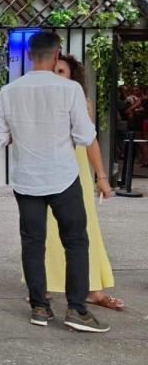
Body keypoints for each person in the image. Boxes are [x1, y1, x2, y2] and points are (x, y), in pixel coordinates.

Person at [0, 30, 108, 333]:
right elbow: (85, 136)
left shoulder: (8, 92)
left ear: (30, 55)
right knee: (76, 242)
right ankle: (77, 310)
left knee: (32, 243)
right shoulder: (70, 90)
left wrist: (26, 133)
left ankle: (40, 308)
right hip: (63, 177)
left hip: (26, 179)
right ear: (57, 54)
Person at [44, 54, 123, 311]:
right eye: (53, 71)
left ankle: (94, 289)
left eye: (61, 72)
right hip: (46, 167)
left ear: (72, 77)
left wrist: (101, 177)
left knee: (85, 227)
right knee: (47, 228)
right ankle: (43, 285)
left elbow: (90, 141)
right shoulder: (41, 100)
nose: (56, 76)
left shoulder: (81, 102)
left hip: (75, 166)